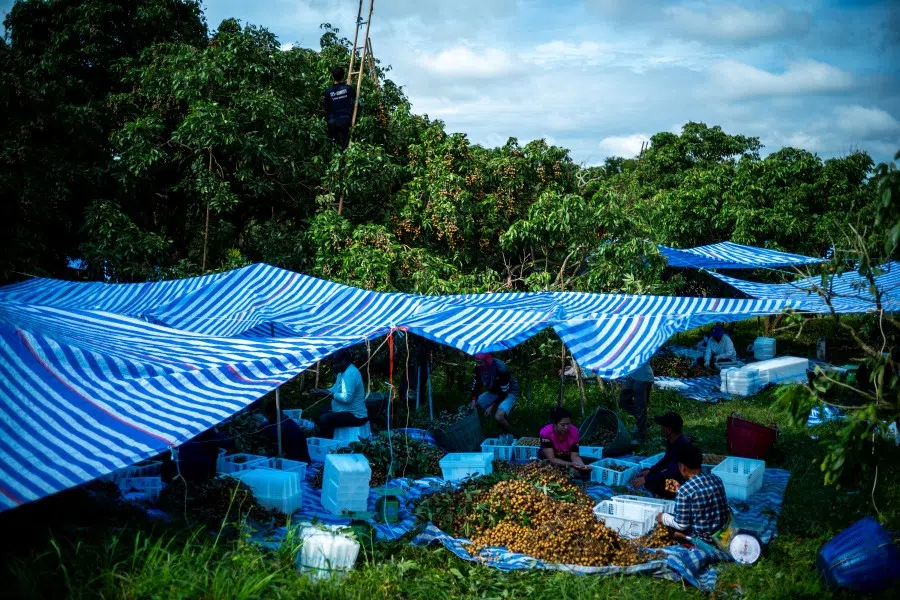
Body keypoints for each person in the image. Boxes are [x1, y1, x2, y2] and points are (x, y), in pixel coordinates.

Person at [656, 444, 732, 541]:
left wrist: (663, 517)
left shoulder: (685, 491)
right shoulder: (716, 479)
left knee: (667, 522)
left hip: (703, 538)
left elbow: (681, 525)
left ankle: (683, 537)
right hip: (721, 532)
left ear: (682, 468)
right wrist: (681, 490)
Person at [630, 411, 692, 498]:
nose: (660, 429)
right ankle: (659, 491)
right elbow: (665, 460)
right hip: (675, 478)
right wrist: (650, 471)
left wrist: (646, 479)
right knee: (645, 472)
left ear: (669, 430)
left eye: (662, 426)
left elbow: (672, 472)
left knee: (653, 482)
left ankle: (663, 495)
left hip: (682, 486)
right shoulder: (674, 440)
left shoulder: (682, 446)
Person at [311, 349, 368, 439]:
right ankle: (326, 436)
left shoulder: (350, 374)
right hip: (345, 411)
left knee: (325, 418)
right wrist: (321, 391)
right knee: (320, 411)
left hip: (355, 415)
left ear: (344, 360)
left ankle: (327, 442)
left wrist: (326, 393)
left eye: (335, 363)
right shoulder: (342, 372)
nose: (333, 366)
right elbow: (335, 389)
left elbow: (346, 398)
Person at [470, 352, 518, 432]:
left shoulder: (501, 369)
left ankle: (509, 434)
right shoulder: (478, 368)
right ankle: (489, 425)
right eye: (476, 362)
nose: (478, 365)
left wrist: (492, 406)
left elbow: (504, 393)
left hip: (509, 391)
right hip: (495, 390)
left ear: (487, 361)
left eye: (480, 363)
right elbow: (477, 383)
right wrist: (473, 399)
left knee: (499, 417)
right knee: (476, 405)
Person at [539, 406, 591, 472]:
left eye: (568, 424)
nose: (566, 427)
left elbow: (575, 456)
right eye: (562, 425)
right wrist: (571, 464)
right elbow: (552, 459)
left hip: (565, 457)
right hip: (548, 459)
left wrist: (582, 466)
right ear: (554, 423)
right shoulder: (546, 433)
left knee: (578, 472)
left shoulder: (574, 432)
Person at [322, 66, 356, 150]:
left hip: (332, 123)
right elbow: (356, 101)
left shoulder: (328, 91)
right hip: (345, 122)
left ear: (332, 76)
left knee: (334, 149)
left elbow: (326, 108)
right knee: (345, 148)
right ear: (344, 76)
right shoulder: (349, 89)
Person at [619, 361, 654, 440]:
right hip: (633, 376)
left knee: (640, 407)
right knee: (623, 400)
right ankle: (643, 421)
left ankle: (641, 436)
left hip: (643, 378)